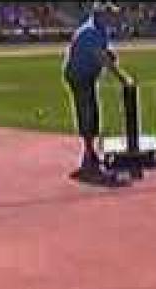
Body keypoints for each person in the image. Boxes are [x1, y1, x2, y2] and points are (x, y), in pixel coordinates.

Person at [62, 1, 133, 182]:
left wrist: (110, 53)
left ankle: (90, 152)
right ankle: (88, 155)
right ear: (101, 14)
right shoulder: (91, 31)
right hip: (79, 75)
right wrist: (123, 77)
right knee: (87, 111)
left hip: (88, 74)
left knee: (92, 110)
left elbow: (105, 52)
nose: (113, 18)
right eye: (110, 14)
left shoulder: (100, 29)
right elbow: (103, 59)